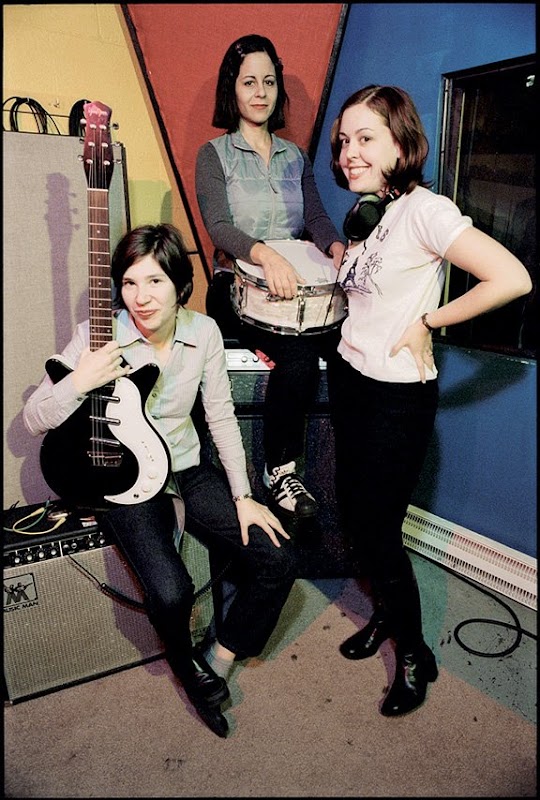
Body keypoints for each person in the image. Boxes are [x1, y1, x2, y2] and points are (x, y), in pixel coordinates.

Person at [23, 223, 297, 738]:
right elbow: (34, 418)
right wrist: (79, 380)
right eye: (129, 283)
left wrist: (243, 495)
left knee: (278, 558)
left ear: (180, 284)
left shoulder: (204, 333)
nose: (141, 297)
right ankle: (184, 662)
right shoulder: (98, 333)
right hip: (125, 478)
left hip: (186, 468)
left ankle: (217, 657)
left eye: (154, 282)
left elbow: (220, 417)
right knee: (172, 593)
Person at [326, 85, 532, 716]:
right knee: (355, 518)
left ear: (401, 143)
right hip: (351, 380)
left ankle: (415, 653)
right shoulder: (368, 212)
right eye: (343, 140)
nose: (349, 151)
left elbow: (513, 277)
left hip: (396, 400)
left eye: (365, 138)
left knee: (380, 533)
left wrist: (429, 322)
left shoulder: (427, 211)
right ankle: (387, 617)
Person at [196, 33, 346, 519]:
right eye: (248, 82)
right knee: (298, 356)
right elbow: (218, 225)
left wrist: (337, 248)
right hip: (235, 289)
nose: (260, 92)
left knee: (353, 346)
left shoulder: (295, 156)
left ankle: (352, 469)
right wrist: (264, 255)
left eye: (269, 81)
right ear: (232, 89)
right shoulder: (213, 155)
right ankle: (279, 471)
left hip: (294, 292)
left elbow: (316, 218)